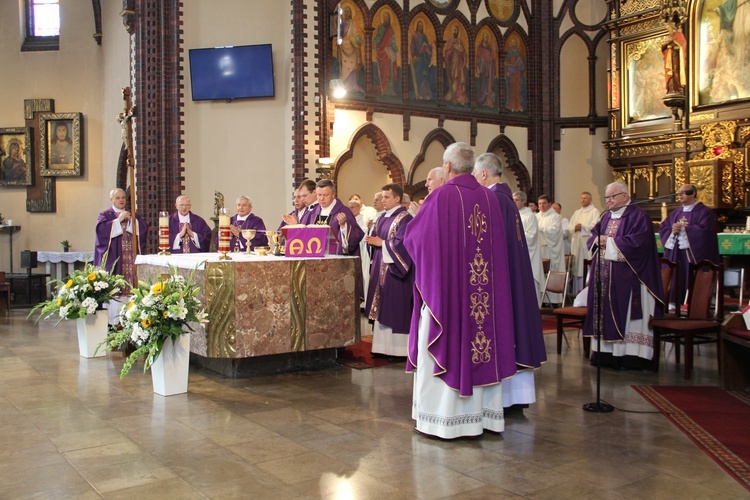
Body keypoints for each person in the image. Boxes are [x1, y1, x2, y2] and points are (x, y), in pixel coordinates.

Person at [404, 142, 518, 439]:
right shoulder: (490, 199)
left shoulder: (441, 196)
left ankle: (441, 420)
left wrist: (414, 220)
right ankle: (484, 419)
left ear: (449, 167)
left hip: (449, 296)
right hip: (484, 298)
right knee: (482, 344)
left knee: (445, 343)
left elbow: (416, 240)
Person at [473, 153, 546, 409]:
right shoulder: (506, 199)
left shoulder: (492, 199)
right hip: (514, 276)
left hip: (500, 279)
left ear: (483, 173)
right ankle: (515, 398)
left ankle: (505, 399)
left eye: (474, 174)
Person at [583, 182, 664, 370]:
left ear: (625, 196)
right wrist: (597, 241)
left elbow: (639, 244)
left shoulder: (639, 217)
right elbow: (593, 238)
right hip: (604, 278)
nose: (609, 201)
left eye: (612, 197)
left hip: (629, 279)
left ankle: (630, 356)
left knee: (627, 315)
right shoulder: (605, 217)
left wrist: (609, 242)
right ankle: (605, 354)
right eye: (607, 197)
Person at [365, 183, 413, 357]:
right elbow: (375, 239)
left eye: (386, 197)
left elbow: (405, 245)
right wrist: (371, 241)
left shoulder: (405, 218)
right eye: (382, 197)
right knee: (381, 306)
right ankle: (381, 348)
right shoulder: (382, 217)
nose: (382, 200)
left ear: (397, 199)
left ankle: (398, 351)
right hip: (380, 266)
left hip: (395, 271)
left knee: (394, 306)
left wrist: (382, 243)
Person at [659, 184, 719, 304]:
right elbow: (664, 227)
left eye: (683, 192)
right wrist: (672, 230)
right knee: (676, 274)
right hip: (676, 253)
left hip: (693, 255)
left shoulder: (705, 212)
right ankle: (673, 301)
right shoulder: (676, 213)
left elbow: (706, 232)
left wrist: (684, 230)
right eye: (678, 193)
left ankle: (694, 302)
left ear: (693, 194)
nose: (680, 195)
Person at [94, 188, 149, 286]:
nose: (121, 200)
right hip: (115, 255)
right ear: (111, 200)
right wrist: (118, 220)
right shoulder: (105, 215)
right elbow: (101, 232)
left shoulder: (132, 214)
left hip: (131, 255)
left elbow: (143, 229)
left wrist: (132, 221)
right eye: (118, 198)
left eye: (123, 197)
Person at [304, 179, 364, 255]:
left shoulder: (343, 211)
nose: (322, 198)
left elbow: (356, 236)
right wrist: (295, 224)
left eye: (325, 195)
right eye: (319, 195)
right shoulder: (313, 212)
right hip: (316, 256)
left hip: (335, 259)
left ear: (333, 194)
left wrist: (344, 226)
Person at [513, 191, 544, 304]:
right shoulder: (514, 214)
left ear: (524, 201)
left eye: (516, 200)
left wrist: (514, 235)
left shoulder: (530, 216)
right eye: (513, 199)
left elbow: (531, 236)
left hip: (529, 254)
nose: (514, 202)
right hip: (516, 253)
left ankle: (533, 305)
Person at [568, 192, 600, 292]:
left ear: (590, 200)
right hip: (577, 242)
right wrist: (574, 228)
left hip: (587, 242)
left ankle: (587, 290)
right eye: (581, 198)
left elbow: (596, 226)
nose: (583, 200)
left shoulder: (595, 212)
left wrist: (583, 227)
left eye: (585, 198)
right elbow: (569, 226)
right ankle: (576, 291)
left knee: (585, 264)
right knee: (577, 266)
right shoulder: (577, 212)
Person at [536, 195, 565, 303]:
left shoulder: (555, 217)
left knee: (549, 272)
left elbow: (553, 232)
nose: (541, 206)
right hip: (538, 250)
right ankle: (541, 299)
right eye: (539, 203)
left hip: (549, 249)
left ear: (549, 204)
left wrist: (539, 229)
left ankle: (552, 300)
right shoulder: (536, 216)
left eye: (544, 203)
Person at [337, 6, 364, 92]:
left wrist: (360, 41)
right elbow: (339, 33)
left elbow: (356, 34)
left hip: (353, 46)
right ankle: (344, 85)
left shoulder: (352, 23)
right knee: (345, 67)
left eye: (348, 11)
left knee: (353, 66)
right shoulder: (342, 22)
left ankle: (353, 85)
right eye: (345, 11)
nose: (346, 13)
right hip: (344, 47)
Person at [373, 11, 398, 96]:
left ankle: (389, 90)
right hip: (382, 52)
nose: (385, 19)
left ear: (389, 19)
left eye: (387, 17)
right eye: (384, 17)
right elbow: (378, 38)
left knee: (390, 71)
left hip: (389, 52)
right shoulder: (381, 28)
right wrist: (375, 44)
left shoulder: (391, 30)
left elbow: (393, 42)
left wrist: (396, 51)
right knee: (384, 71)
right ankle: (382, 88)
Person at [443, 25, 468, 105]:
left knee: (459, 80)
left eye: (456, 30)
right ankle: (452, 95)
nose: (455, 31)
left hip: (459, 64)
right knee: (453, 79)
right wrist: (452, 49)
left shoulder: (460, 41)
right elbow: (447, 53)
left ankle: (459, 96)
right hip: (453, 64)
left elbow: (464, 54)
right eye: (454, 30)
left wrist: (460, 50)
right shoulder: (450, 41)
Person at [410, 20, 433, 100]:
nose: (421, 27)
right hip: (417, 59)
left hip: (424, 59)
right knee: (418, 76)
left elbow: (427, 46)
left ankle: (425, 94)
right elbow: (412, 47)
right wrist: (414, 55)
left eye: (422, 26)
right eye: (419, 26)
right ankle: (419, 93)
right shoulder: (415, 36)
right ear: (417, 27)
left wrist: (428, 49)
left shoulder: (424, 36)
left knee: (425, 75)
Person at [476, 32, 496, 108]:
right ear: (483, 38)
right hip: (482, 69)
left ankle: (488, 101)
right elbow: (477, 58)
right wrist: (477, 66)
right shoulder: (480, 48)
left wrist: (494, 51)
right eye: (485, 37)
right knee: (483, 84)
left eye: (487, 37)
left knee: (489, 84)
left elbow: (493, 59)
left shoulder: (490, 49)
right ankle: (482, 99)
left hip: (489, 69)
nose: (486, 39)